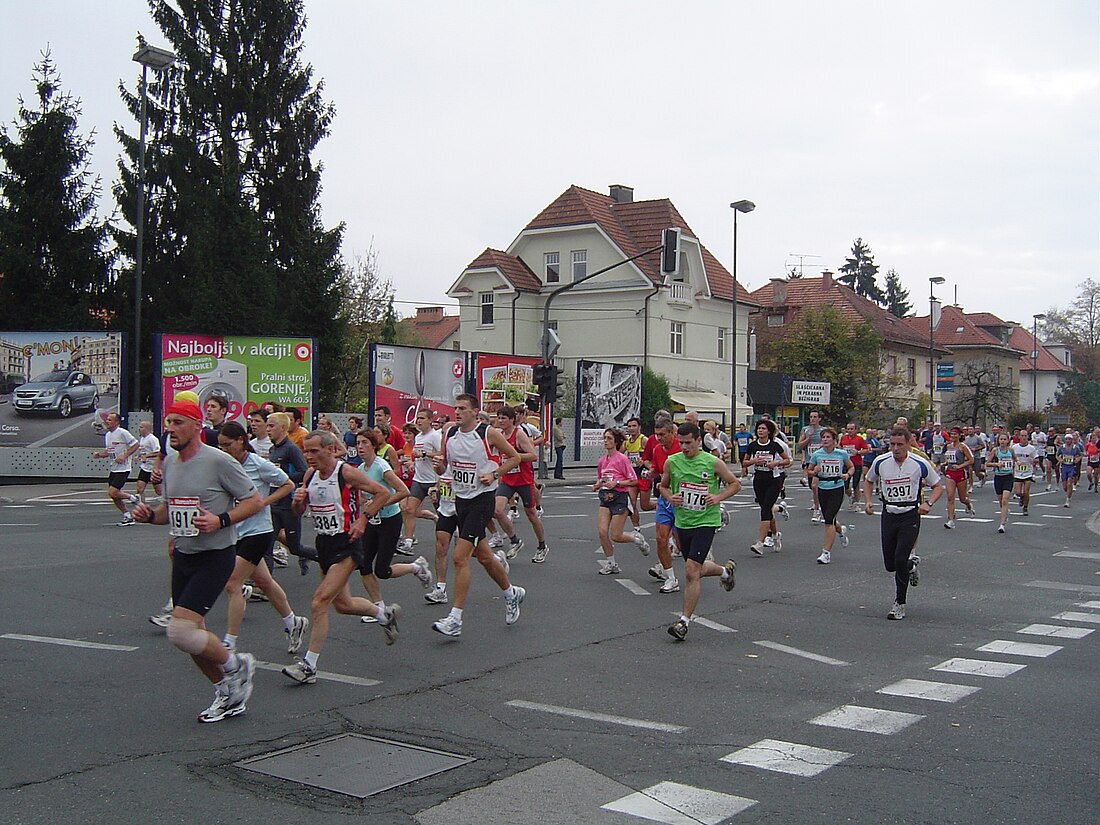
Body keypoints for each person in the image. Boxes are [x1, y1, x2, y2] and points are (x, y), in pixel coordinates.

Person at [131, 399, 264, 723]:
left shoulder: (219, 461)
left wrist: (221, 520)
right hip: (185, 556)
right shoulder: (172, 463)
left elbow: (254, 501)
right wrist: (150, 516)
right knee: (195, 640)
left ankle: (236, 665)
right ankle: (227, 692)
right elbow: (169, 510)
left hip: (215, 556)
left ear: (196, 426)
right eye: (169, 423)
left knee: (180, 633)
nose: (171, 429)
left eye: (178, 422)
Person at [282, 430, 398, 684]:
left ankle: (309, 666)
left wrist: (363, 520)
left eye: (314, 450)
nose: (309, 456)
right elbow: (300, 510)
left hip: (348, 542)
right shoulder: (311, 475)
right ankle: (384, 615)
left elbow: (382, 492)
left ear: (331, 449)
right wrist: (297, 503)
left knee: (319, 601)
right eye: (306, 451)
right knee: (342, 604)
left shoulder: (345, 472)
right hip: (324, 542)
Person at [430, 394, 526, 638]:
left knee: (460, 557)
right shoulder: (449, 434)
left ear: (475, 411)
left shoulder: (488, 433)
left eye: (462, 408)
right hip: (461, 500)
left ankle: (455, 618)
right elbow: (446, 467)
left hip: (482, 501)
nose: (457, 412)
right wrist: (439, 467)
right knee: (484, 557)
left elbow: (514, 457)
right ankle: (511, 592)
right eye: (455, 408)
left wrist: (494, 475)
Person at [214, 422, 308, 656]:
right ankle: (293, 622)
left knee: (232, 584)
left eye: (227, 445)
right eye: (220, 446)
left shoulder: (258, 464)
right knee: (265, 582)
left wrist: (263, 503)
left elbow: (287, 484)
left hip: (258, 531)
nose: (224, 449)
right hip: (236, 531)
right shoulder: (225, 465)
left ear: (240, 441)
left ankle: (230, 642)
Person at [659, 422, 740, 641]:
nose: (684, 447)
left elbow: (734, 484)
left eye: (688, 443)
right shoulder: (672, 462)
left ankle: (683, 622)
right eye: (681, 443)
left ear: (698, 441)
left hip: (706, 521)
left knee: (691, 571)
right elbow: (662, 486)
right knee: (697, 568)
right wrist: (669, 497)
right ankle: (725, 572)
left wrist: (718, 497)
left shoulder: (712, 462)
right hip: (683, 522)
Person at [354, 429, 434, 632]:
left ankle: (416, 567)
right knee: (363, 564)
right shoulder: (361, 468)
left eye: (364, 443)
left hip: (390, 520)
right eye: (358, 443)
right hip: (373, 521)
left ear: (373, 445)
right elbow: (362, 495)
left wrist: (380, 503)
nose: (360, 447)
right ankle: (379, 608)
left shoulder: (382, 467)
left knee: (382, 570)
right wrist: (366, 503)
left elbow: (403, 491)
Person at [863, 426, 943, 621]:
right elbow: (868, 480)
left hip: (910, 515)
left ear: (908, 444)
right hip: (889, 513)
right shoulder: (881, 461)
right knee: (890, 565)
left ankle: (900, 603)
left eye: (900, 444)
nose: (895, 448)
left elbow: (938, 486)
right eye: (892, 444)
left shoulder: (919, 463)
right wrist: (867, 501)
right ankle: (911, 566)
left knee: (900, 558)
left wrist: (928, 503)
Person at [594, 428, 650, 574]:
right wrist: (597, 485)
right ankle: (611, 564)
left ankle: (636, 538)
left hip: (619, 498)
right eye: (604, 438)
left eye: (609, 438)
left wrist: (617, 483)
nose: (605, 441)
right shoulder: (602, 461)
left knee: (616, 536)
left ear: (616, 442)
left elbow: (633, 481)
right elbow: (602, 478)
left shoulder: (622, 459)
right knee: (602, 532)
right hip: (605, 498)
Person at [266, 412, 316, 575]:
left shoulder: (291, 449)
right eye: (267, 426)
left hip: (289, 505)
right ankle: (263, 586)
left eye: (271, 426)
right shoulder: (272, 449)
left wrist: (283, 476)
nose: (268, 429)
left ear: (283, 427)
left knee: (294, 547)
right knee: (266, 546)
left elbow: (304, 472)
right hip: (274, 504)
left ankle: (325, 558)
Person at [646, 417, 683, 592]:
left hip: (682, 500)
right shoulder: (657, 450)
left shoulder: (682, 447)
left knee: (683, 543)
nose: (659, 438)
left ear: (671, 433)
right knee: (661, 538)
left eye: (662, 434)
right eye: (657, 434)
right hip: (665, 497)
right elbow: (656, 471)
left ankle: (704, 564)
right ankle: (671, 578)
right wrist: (650, 474)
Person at [806, 428, 853, 565]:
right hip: (823, 487)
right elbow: (809, 471)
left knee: (828, 520)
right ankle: (840, 530)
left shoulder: (841, 454)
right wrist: (814, 471)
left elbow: (851, 467)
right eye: (823, 437)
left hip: (837, 487)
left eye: (828, 437)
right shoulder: (817, 455)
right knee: (829, 518)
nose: (825, 440)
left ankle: (826, 553)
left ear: (834, 440)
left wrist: (847, 475)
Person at [744, 419, 791, 555]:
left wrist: (776, 463)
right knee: (767, 510)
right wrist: (754, 461)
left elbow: (788, 460)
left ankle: (760, 543)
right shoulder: (753, 445)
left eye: (763, 429)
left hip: (773, 480)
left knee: (765, 510)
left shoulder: (775, 446)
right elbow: (744, 462)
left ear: (769, 431)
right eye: (759, 428)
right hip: (759, 479)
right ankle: (776, 535)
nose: (760, 431)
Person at [400, 410, 441, 553]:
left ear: (430, 420)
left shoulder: (435, 436)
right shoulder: (419, 437)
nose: (419, 421)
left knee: (443, 513)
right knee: (409, 510)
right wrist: (413, 463)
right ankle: (408, 542)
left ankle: (454, 534)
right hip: (419, 479)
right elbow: (417, 456)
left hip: (433, 480)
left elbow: (442, 454)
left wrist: (425, 453)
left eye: (422, 418)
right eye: (418, 418)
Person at [92, 412, 141, 526]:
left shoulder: (123, 433)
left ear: (117, 422)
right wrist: (99, 455)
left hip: (123, 469)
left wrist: (125, 455)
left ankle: (133, 498)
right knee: (113, 495)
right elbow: (109, 452)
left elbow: (136, 445)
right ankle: (127, 515)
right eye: (107, 419)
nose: (107, 421)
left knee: (113, 492)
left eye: (110, 420)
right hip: (114, 468)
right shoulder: (108, 435)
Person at [941, 427, 975, 529]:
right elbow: (948, 459)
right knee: (950, 496)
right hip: (950, 473)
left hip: (960, 473)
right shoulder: (948, 446)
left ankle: (969, 505)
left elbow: (971, 460)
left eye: (955, 434)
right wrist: (945, 463)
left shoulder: (963, 447)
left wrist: (960, 466)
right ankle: (950, 520)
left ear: (959, 435)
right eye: (951, 434)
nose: (953, 436)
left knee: (962, 498)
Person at [797, 411, 824, 519]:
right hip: (810, 461)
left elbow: (830, 443)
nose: (812, 419)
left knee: (815, 485)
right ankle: (818, 502)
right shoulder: (805, 430)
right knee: (811, 486)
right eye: (811, 417)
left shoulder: (823, 430)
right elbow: (800, 445)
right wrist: (808, 438)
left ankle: (817, 509)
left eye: (815, 417)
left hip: (821, 461)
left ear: (819, 419)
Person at [622, 417, 647, 534]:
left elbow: (654, 453)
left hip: (643, 475)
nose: (631, 428)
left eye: (634, 426)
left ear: (639, 427)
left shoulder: (643, 440)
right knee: (631, 502)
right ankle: (636, 527)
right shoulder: (627, 442)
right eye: (629, 426)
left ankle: (663, 506)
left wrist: (644, 460)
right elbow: (618, 455)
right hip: (632, 476)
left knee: (645, 505)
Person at [839, 422, 868, 511]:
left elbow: (867, 449)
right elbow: (839, 447)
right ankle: (851, 497)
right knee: (845, 485)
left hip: (856, 464)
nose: (850, 431)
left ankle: (857, 503)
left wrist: (858, 452)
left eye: (852, 429)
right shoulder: (843, 438)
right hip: (846, 464)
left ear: (855, 430)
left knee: (856, 484)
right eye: (848, 429)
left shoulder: (859, 439)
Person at [990, 433, 1015, 533]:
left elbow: (1016, 459)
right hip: (998, 477)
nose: (1003, 441)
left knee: (1005, 500)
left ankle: (1002, 524)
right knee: (1001, 501)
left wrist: (1018, 462)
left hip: (1008, 477)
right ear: (998, 440)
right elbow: (987, 463)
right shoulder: (995, 451)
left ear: (1008, 441)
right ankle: (1005, 513)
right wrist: (996, 464)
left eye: (1005, 439)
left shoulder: (1011, 450)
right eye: (1001, 439)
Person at [134, 420, 163, 503]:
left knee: (158, 491)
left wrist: (146, 456)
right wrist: (138, 456)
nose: (139, 429)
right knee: (140, 488)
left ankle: (166, 503)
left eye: (141, 427)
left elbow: (158, 452)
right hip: (145, 468)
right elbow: (144, 451)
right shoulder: (142, 439)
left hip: (153, 468)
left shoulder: (153, 439)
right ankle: (142, 506)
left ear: (147, 428)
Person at [1057, 432, 1083, 507]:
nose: (1068, 441)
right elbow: (1057, 455)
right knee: (1065, 486)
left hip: (1072, 467)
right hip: (1064, 467)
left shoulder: (1075, 448)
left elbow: (1080, 455)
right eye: (1066, 439)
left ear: (1072, 440)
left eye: (1069, 439)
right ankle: (1069, 492)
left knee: (1069, 483)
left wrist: (1077, 459)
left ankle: (1068, 500)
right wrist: (1059, 459)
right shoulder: (1062, 447)